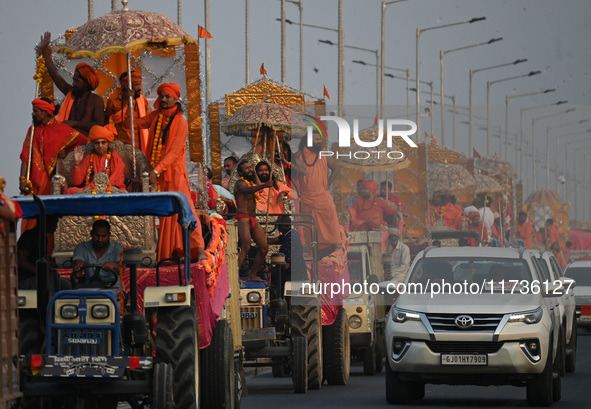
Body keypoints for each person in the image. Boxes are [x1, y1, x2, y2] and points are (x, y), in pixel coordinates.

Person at [132, 83, 206, 261]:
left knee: (185, 208)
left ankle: (200, 249)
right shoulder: (156, 116)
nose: (163, 99)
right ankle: (168, 253)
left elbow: (173, 151)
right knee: (165, 214)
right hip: (157, 173)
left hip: (174, 174)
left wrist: (156, 170)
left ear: (175, 98)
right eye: (162, 96)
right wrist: (132, 101)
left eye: (167, 96)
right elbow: (135, 124)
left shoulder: (181, 122)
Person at [40, 32, 104, 136]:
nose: (73, 83)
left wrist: (74, 123)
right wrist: (45, 50)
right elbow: (54, 74)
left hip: (87, 144)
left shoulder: (96, 100)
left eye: (77, 81)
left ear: (87, 83)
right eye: (73, 80)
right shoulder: (71, 93)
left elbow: (99, 125)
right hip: (68, 141)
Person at [19, 98, 87, 197]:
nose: (33, 114)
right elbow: (25, 156)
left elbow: (84, 142)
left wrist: (67, 152)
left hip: (52, 178)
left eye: (35, 111)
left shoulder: (61, 129)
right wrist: (22, 179)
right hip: (32, 178)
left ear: (45, 112)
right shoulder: (33, 130)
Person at [292, 131, 342, 256]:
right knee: (313, 229)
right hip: (307, 198)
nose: (319, 142)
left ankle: (333, 251)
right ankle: (317, 254)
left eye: (320, 139)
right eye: (316, 140)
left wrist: (328, 183)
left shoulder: (324, 155)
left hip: (323, 197)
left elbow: (336, 169)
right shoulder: (298, 156)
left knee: (331, 223)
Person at [234, 160, 274, 282]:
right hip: (243, 218)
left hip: (252, 218)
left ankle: (253, 275)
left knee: (264, 248)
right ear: (241, 172)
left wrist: (254, 171)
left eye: (250, 168)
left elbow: (258, 188)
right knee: (246, 246)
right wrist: (265, 185)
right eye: (247, 169)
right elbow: (246, 190)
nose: (249, 170)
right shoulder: (240, 183)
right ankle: (234, 276)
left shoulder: (252, 183)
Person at [67, 124, 126, 193]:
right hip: (91, 189)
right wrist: (77, 163)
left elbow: (118, 180)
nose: (100, 146)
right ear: (93, 144)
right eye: (97, 143)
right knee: (70, 191)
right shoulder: (89, 158)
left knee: (123, 192)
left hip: (110, 189)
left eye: (103, 142)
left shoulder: (114, 157)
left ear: (108, 143)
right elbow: (76, 182)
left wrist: (102, 187)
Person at [105, 71, 151, 152]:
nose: (139, 88)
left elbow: (148, 122)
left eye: (139, 84)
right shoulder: (113, 101)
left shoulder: (143, 100)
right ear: (127, 86)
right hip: (121, 146)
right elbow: (105, 122)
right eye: (136, 85)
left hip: (140, 146)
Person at [71, 219, 124, 288]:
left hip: (113, 288)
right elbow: (78, 262)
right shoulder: (82, 247)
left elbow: (121, 269)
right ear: (91, 233)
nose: (100, 239)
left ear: (109, 235)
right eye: (97, 236)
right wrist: (79, 269)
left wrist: (114, 265)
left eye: (103, 236)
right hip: (89, 287)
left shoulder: (118, 248)